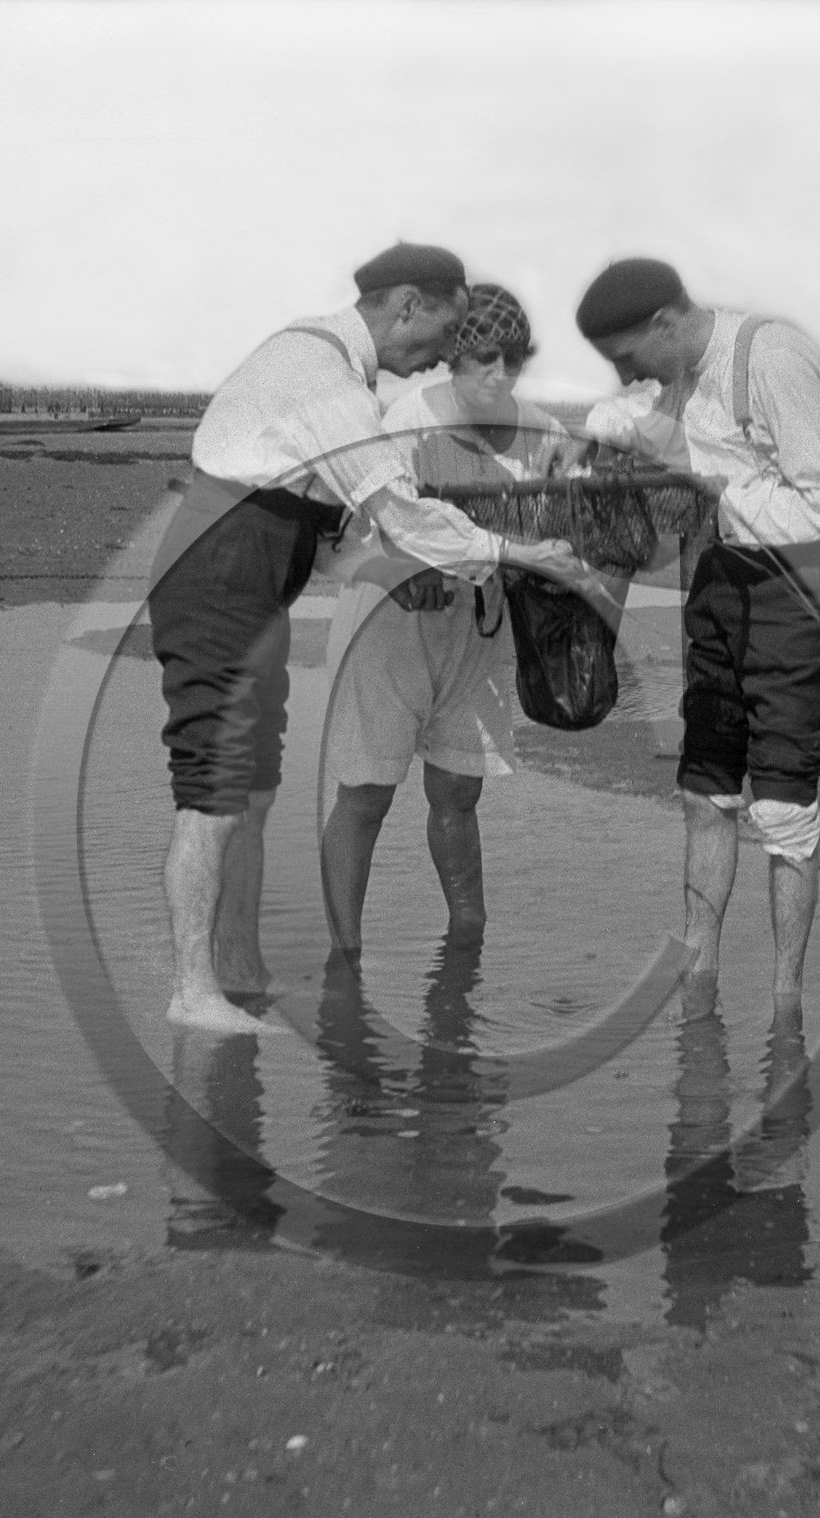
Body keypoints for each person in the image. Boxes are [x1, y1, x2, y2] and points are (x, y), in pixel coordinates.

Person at [148, 244, 579, 1034]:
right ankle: (192, 990)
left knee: (252, 780)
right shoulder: (329, 383)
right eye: (436, 338)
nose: (428, 363)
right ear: (406, 305)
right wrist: (513, 552)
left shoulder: (321, 359)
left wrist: (391, 560)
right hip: (222, 565)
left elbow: (336, 525)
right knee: (211, 783)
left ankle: (235, 966)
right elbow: (401, 513)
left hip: (257, 564)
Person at [576, 258, 820, 1007]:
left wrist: (713, 484)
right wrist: (592, 439)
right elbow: (636, 419)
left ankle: (785, 1001)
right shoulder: (679, 372)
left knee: (781, 803)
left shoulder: (771, 359)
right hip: (718, 575)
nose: (623, 376)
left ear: (667, 324)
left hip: (799, 580)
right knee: (704, 788)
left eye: (627, 358)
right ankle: (698, 977)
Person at [319, 283, 571, 957]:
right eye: (481, 359)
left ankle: (468, 937)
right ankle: (345, 955)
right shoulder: (407, 423)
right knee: (366, 795)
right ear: (451, 360)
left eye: (511, 361)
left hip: (477, 625)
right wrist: (402, 575)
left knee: (459, 790)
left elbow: (562, 523)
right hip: (388, 630)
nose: (496, 376)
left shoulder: (541, 433)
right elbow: (348, 539)